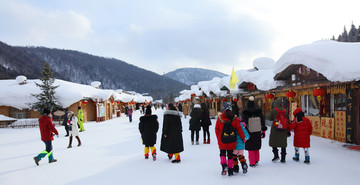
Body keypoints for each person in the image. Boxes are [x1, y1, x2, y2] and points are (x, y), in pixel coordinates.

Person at [215, 102, 246, 176]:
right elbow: (239, 129)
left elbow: (217, 129)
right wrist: (243, 138)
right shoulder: (234, 118)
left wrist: (219, 138)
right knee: (230, 155)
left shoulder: (220, 118)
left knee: (222, 153)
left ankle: (224, 166)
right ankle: (230, 170)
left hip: (223, 140)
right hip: (232, 140)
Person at [242, 96, 267, 167]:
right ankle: (256, 160)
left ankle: (252, 162)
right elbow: (263, 122)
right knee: (256, 146)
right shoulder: (259, 112)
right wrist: (263, 131)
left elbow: (244, 123)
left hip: (249, 131)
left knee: (251, 148)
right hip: (257, 131)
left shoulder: (246, 113)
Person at [269, 98, 289, 163]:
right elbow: (288, 119)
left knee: (273, 142)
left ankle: (276, 156)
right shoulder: (285, 110)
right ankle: (283, 158)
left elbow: (270, 118)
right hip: (284, 128)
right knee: (283, 144)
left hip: (275, 128)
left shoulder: (274, 110)